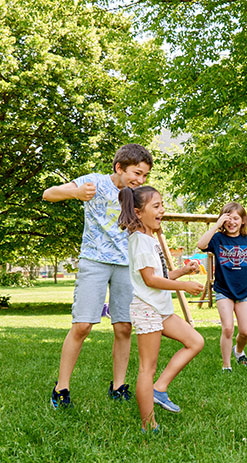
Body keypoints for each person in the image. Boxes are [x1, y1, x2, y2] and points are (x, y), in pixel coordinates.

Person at [43, 144, 152, 408]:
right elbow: (48, 193)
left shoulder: (137, 196)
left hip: (126, 265)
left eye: (145, 176)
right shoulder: (94, 182)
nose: (140, 180)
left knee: (124, 326)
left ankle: (118, 386)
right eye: (136, 173)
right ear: (119, 167)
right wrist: (76, 193)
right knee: (82, 326)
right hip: (94, 261)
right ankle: (61, 388)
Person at [118, 185, 205, 432]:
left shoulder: (149, 239)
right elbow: (150, 280)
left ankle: (160, 388)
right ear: (137, 212)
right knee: (147, 368)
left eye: (162, 205)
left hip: (160, 308)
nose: (162, 210)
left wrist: (183, 272)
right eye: (156, 206)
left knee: (195, 342)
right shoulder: (140, 241)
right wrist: (184, 286)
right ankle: (149, 424)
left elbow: (160, 274)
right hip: (147, 309)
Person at [196, 202, 247, 371]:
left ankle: (238, 351)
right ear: (223, 221)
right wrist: (216, 226)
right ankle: (226, 366)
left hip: (244, 289)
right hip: (224, 289)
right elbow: (201, 245)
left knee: (245, 332)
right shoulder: (217, 239)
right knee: (228, 328)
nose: (232, 222)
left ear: (243, 220)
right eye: (227, 219)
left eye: (236, 218)